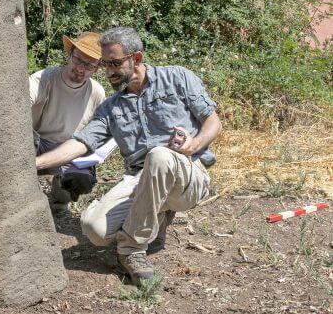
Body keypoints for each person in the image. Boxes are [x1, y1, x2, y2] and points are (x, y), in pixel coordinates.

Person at [35, 27, 222, 285]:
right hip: (139, 179)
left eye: (114, 63)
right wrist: (35, 164)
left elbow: (213, 122)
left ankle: (131, 250)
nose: (109, 71)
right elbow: (81, 144)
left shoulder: (178, 77)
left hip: (187, 173)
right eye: (105, 64)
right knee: (94, 229)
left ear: (136, 58)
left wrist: (193, 145)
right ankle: (156, 214)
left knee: (159, 156)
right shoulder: (111, 107)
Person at [30, 32, 106, 211]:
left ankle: (60, 201)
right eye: (78, 60)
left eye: (89, 65)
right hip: (37, 143)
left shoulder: (97, 93)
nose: (81, 68)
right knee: (23, 137)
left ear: (96, 69)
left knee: (82, 178)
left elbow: (99, 133)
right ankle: (28, 196)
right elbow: (20, 100)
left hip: (71, 151)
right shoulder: (45, 78)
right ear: (69, 54)